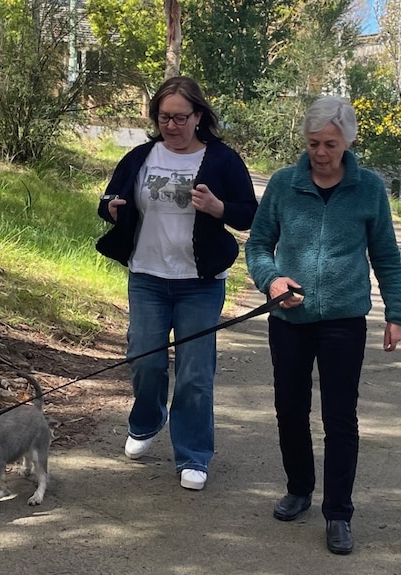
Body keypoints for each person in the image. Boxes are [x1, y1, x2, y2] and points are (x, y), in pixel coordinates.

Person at [244, 96, 401, 554]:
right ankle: (299, 489)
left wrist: (396, 313)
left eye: (330, 144)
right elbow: (257, 245)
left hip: (344, 322)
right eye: (313, 143)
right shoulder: (283, 185)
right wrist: (271, 280)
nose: (320, 152)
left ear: (349, 141)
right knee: (290, 409)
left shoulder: (369, 189)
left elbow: (387, 257)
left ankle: (338, 512)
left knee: (339, 418)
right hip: (289, 319)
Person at [95, 76, 257, 491]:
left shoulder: (222, 160)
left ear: (199, 116)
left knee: (194, 373)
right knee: (145, 359)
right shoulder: (140, 157)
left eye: (180, 117)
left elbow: (249, 214)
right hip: (147, 275)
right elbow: (109, 199)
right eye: (164, 117)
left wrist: (219, 207)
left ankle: (193, 455)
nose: (171, 125)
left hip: (199, 282)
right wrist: (110, 207)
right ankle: (148, 420)